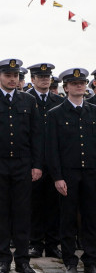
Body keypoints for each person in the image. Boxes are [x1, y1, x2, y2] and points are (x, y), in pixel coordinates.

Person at [0, 58, 43, 273]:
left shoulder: (28, 101)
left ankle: (22, 260)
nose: (13, 80)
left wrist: (37, 164)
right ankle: (4, 259)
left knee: (22, 213)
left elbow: (36, 136)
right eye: (8, 76)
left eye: (16, 76)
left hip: (23, 164)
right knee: (0, 213)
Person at [46, 68, 96, 273]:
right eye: (74, 83)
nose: (79, 86)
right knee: (67, 218)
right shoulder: (55, 114)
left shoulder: (93, 111)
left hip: (92, 173)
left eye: (82, 82)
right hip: (68, 174)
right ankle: (69, 259)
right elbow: (52, 149)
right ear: (65, 87)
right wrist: (57, 177)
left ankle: (91, 259)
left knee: (91, 218)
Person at [26, 63, 64, 260]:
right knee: (35, 205)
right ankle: (35, 243)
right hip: (33, 161)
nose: (44, 79)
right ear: (32, 80)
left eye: (47, 76)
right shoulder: (25, 100)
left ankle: (52, 244)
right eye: (40, 77)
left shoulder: (58, 101)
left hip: (55, 162)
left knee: (54, 205)